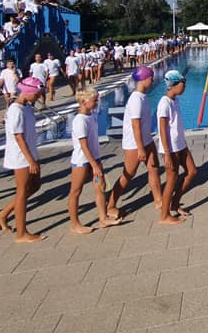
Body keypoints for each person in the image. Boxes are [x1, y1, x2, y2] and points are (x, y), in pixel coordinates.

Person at [107, 66, 162, 218]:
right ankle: (110, 204)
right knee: (128, 174)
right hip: (135, 143)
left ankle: (158, 200)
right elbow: (135, 125)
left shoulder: (143, 96)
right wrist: (140, 148)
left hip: (146, 139)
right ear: (144, 79)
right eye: (151, 78)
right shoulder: (136, 99)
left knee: (154, 168)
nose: (153, 80)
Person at [0, 77, 46, 242]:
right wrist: (30, 160)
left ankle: (2, 215)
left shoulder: (27, 108)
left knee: (35, 186)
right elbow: (19, 137)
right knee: (22, 191)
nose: (38, 97)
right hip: (21, 157)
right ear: (28, 92)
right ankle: (21, 233)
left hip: (31, 153)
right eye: (37, 94)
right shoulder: (16, 110)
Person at [68, 88, 121, 233]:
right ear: (84, 102)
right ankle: (75, 224)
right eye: (95, 100)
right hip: (82, 162)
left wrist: (97, 161)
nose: (97, 103)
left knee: (100, 187)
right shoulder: (79, 120)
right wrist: (94, 165)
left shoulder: (90, 116)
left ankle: (103, 218)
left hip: (94, 159)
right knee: (76, 191)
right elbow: (83, 146)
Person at [157, 70, 197, 222]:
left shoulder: (175, 100)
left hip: (180, 145)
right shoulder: (164, 103)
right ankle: (164, 216)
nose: (185, 87)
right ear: (173, 85)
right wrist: (166, 153)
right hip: (170, 148)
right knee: (171, 179)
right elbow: (162, 129)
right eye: (183, 84)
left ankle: (174, 203)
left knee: (192, 171)